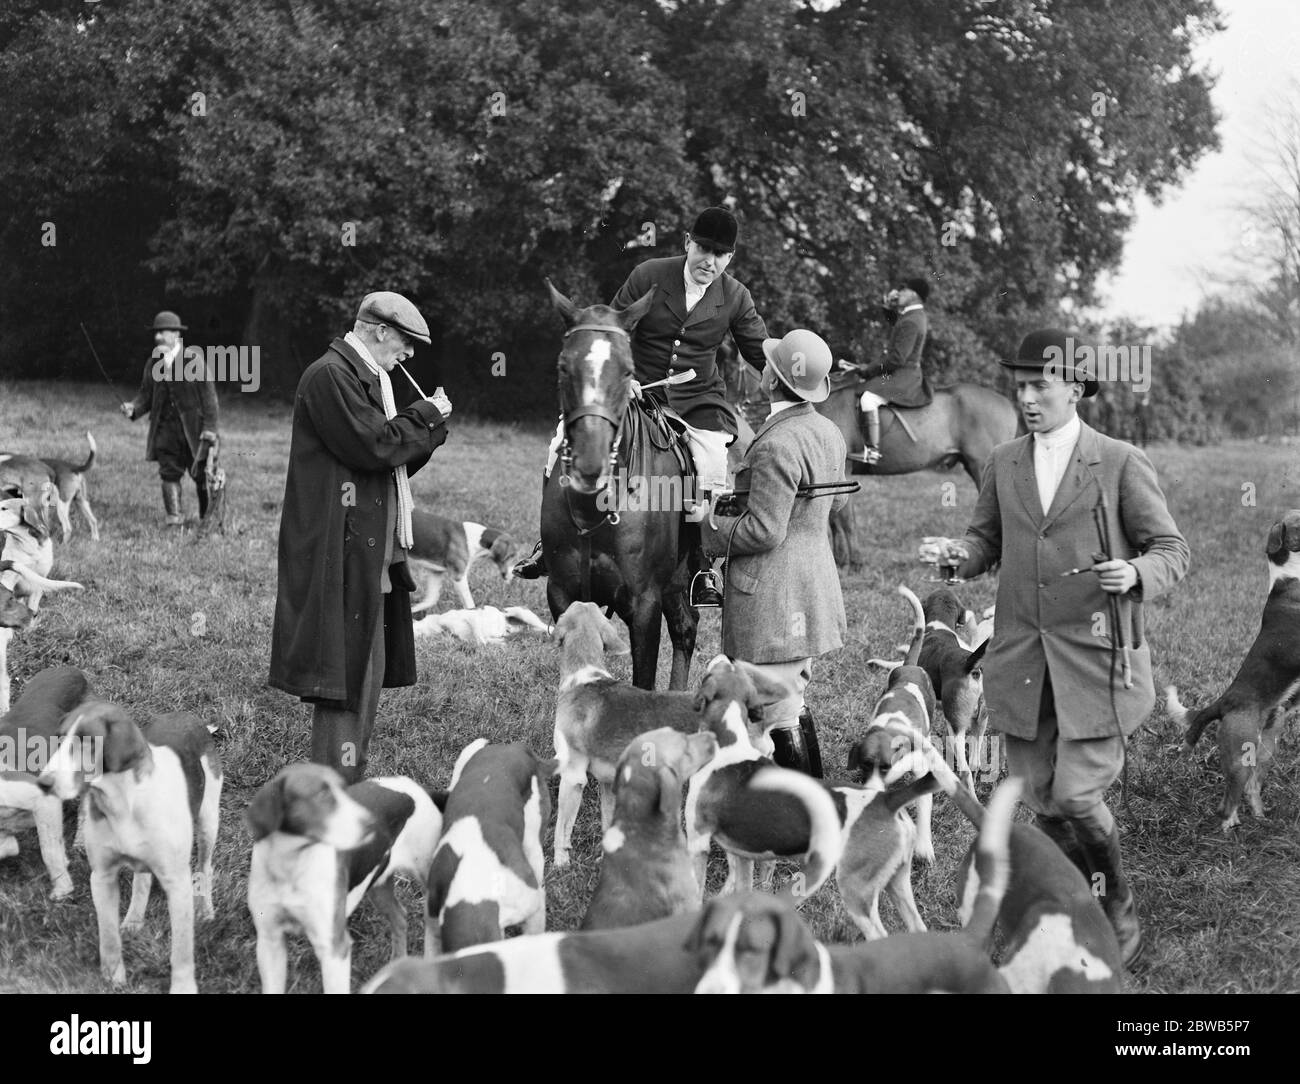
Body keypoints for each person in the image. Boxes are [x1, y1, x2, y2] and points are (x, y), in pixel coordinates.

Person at [925, 328, 1189, 966]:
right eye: (1020, 387)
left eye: (1040, 385)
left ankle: (1117, 902)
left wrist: (1136, 574)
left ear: (1076, 388)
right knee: (1041, 802)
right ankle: (1074, 907)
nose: (1028, 398)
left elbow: (1172, 550)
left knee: (1073, 796)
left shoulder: (1120, 461)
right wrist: (959, 557)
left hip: (1099, 662)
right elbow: (985, 540)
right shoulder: (1004, 460)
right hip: (1021, 664)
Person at [513, 206, 770, 605]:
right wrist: (625, 378)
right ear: (688, 242)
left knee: (711, 465)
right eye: (703, 249)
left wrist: (787, 389)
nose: (710, 261)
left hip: (698, 399)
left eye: (720, 255)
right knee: (562, 439)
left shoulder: (736, 296)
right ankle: (550, 545)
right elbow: (613, 328)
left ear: (730, 258)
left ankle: (703, 566)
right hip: (637, 389)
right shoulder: (649, 274)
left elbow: (760, 353)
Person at [268, 292, 453, 784]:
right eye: (406, 342)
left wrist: (429, 426)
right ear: (377, 330)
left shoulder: (369, 380)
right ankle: (330, 795)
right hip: (340, 550)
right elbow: (374, 445)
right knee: (344, 680)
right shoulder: (331, 376)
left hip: (370, 555)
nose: (410, 354)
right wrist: (426, 419)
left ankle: (347, 784)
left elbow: (394, 458)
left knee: (366, 679)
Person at [698, 329, 848, 776]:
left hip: (773, 596)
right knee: (790, 698)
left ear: (771, 381)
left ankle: (799, 816)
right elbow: (834, 502)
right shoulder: (827, 430)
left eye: (768, 365)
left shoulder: (776, 443)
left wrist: (708, 524)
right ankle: (813, 803)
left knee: (777, 709)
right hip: (812, 586)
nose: (762, 368)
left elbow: (764, 531)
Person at [120, 311, 219, 526]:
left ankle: (206, 519)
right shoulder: (152, 363)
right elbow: (146, 395)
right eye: (156, 333)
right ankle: (174, 519)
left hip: (194, 431)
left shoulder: (195, 361)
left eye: (162, 333)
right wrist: (133, 408)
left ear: (176, 335)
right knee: (169, 473)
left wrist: (210, 428)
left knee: (201, 475)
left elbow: (209, 398)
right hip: (165, 430)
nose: (157, 338)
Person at [845, 276, 933, 465]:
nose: (898, 293)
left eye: (903, 290)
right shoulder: (912, 315)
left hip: (904, 376)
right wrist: (888, 307)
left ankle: (872, 451)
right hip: (903, 372)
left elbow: (897, 358)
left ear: (914, 294)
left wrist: (868, 369)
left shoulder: (911, 320)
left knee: (868, 398)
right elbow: (897, 328)